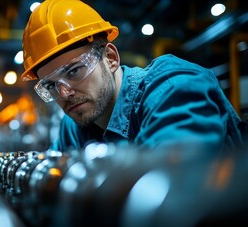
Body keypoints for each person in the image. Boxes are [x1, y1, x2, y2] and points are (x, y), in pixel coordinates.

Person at [20, 0, 247, 153]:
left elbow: (175, 181)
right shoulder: (75, 125)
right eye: (51, 85)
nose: (64, 93)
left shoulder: (173, 88)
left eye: (73, 71)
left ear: (110, 58)